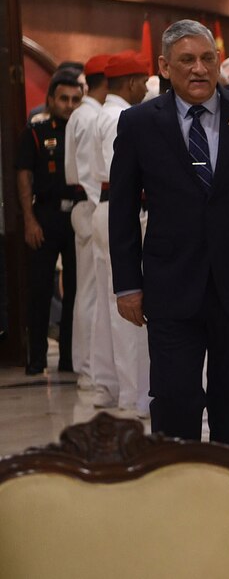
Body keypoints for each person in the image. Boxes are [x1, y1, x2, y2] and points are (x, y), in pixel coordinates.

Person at [109, 19, 229, 455]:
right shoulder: (138, 123)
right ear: (164, 66)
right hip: (170, 286)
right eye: (187, 60)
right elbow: (121, 210)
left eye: (207, 59)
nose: (199, 69)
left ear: (219, 62)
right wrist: (127, 284)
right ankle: (177, 495)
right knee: (175, 399)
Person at [93, 52, 153, 415]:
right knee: (131, 307)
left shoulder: (95, 114)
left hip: (99, 207)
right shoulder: (121, 117)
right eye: (143, 82)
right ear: (131, 82)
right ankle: (137, 394)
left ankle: (109, 384)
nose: (146, 89)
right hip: (122, 209)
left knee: (104, 305)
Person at [16, 69, 83, 374]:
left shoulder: (84, 130)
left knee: (76, 290)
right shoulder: (35, 133)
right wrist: (29, 220)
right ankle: (37, 357)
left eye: (74, 99)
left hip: (77, 217)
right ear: (51, 99)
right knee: (40, 289)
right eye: (64, 99)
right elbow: (24, 176)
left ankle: (69, 357)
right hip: (45, 216)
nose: (69, 105)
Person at [64, 53, 110, 390]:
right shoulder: (88, 117)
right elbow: (87, 172)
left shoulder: (85, 114)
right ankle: (89, 366)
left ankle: (88, 364)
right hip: (90, 203)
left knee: (89, 290)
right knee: (92, 292)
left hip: (87, 204)